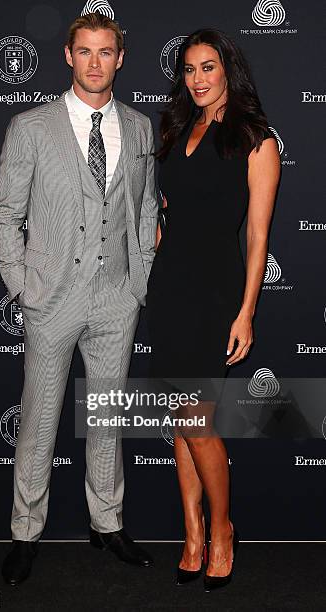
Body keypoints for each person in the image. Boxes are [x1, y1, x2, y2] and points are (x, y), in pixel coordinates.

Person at [0, 12, 158, 586]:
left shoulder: (139, 128)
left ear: (120, 58)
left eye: (105, 52)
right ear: (68, 55)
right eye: (84, 51)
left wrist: (139, 282)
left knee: (107, 418)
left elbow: (144, 212)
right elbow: (7, 214)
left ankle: (106, 524)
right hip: (51, 299)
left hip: (116, 299)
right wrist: (22, 285)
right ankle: (24, 532)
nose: (94, 62)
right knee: (39, 420)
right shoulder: (30, 127)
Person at [146, 29, 280, 591]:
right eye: (189, 69)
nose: (197, 79)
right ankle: (193, 536)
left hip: (214, 290)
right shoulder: (177, 127)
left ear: (229, 70)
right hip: (170, 283)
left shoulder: (256, 138)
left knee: (196, 420)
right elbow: (168, 203)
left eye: (208, 67)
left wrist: (246, 310)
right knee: (181, 420)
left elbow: (257, 234)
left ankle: (223, 531)